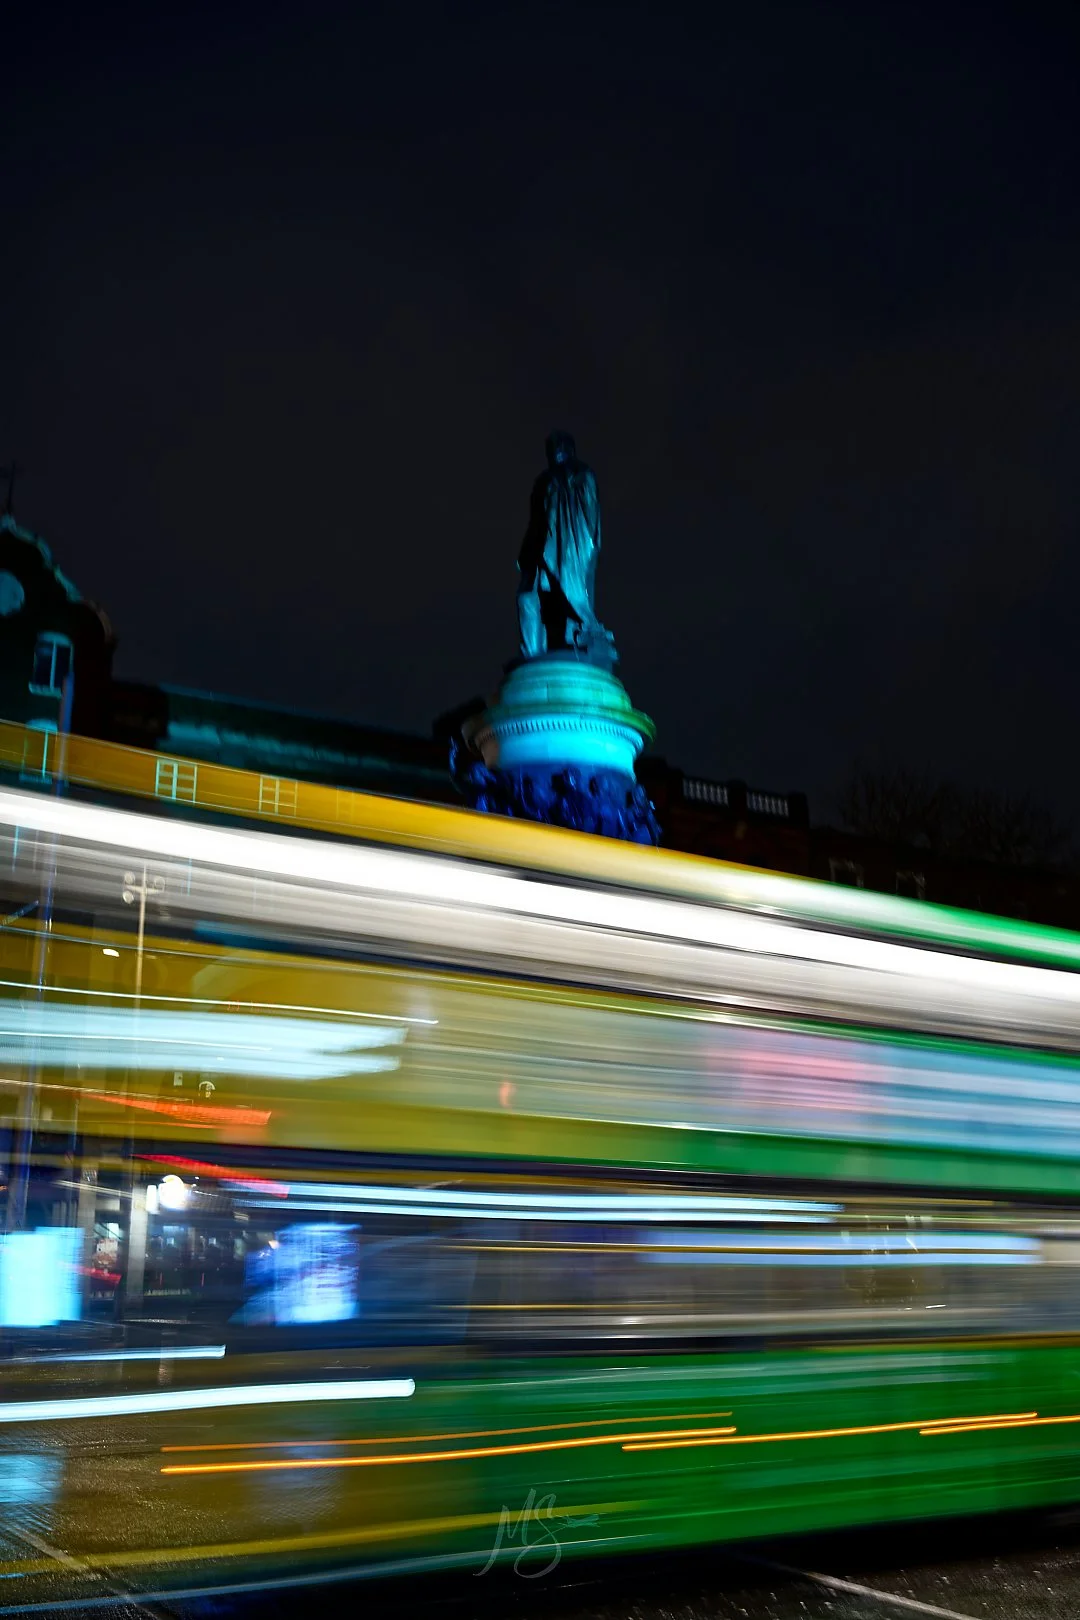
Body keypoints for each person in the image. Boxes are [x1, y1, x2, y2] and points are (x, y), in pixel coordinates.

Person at [517, 432, 604, 658]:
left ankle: (582, 632)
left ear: (569, 448)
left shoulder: (582, 474)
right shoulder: (543, 481)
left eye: (559, 446)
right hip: (542, 549)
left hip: (568, 547)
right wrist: (526, 551)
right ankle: (533, 655)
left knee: (569, 592)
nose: (555, 452)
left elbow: (591, 516)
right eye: (551, 448)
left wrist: (586, 547)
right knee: (527, 598)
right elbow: (535, 521)